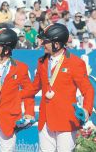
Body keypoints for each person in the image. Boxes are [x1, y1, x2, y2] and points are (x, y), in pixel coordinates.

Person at [21, 24, 94, 152]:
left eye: (46, 41)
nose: (43, 44)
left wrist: (87, 110)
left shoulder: (75, 63)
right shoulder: (41, 62)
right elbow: (34, 88)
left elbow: (88, 90)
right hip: (45, 120)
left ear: (57, 44)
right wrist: (10, 95)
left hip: (66, 120)